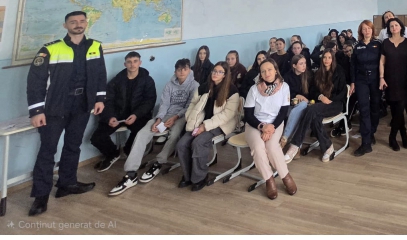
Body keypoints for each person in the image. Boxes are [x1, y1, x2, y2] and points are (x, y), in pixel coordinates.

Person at [26, 11, 107, 216]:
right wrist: (36, 111)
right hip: (55, 107)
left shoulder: (95, 46)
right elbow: (35, 82)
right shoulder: (50, 49)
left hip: (82, 105)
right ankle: (41, 196)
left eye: (81, 21)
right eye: (73, 22)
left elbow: (100, 74)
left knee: (73, 146)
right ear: (65, 26)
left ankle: (67, 184)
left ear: (86, 23)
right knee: (47, 151)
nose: (78, 24)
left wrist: (99, 99)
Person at [111, 58, 199, 194]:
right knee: (143, 133)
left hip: (183, 116)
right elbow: (164, 104)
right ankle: (131, 172)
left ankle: (159, 162)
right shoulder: (169, 85)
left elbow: (189, 106)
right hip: (166, 114)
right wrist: (158, 119)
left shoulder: (195, 85)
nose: (182, 72)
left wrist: (175, 117)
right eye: (179, 69)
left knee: (175, 133)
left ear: (189, 70)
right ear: (175, 71)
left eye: (185, 69)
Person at [175, 61, 240, 191]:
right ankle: (188, 176)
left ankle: (200, 177)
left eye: (220, 72)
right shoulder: (203, 87)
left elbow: (226, 115)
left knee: (198, 142)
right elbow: (192, 105)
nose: (216, 73)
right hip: (199, 122)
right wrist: (190, 118)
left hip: (220, 124)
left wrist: (205, 126)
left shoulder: (232, 91)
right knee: (181, 144)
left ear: (225, 75)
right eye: (214, 71)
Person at [91, 51, 157, 172]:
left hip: (138, 115)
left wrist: (136, 115)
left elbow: (149, 101)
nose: (132, 64)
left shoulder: (147, 80)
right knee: (96, 138)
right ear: (125, 64)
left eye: (135, 61)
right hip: (118, 115)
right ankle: (112, 154)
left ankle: (127, 151)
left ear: (140, 63)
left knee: (138, 136)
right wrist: (110, 117)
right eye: (129, 62)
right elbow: (108, 101)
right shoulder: (116, 80)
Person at [243, 58, 297, 199]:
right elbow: (248, 115)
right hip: (255, 124)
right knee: (258, 147)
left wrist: (271, 127)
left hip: (275, 123)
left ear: (275, 70)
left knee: (272, 147)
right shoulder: (254, 89)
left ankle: (285, 176)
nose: (267, 73)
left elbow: (283, 112)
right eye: (263, 71)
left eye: (269, 70)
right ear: (260, 74)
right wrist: (262, 127)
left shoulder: (284, 87)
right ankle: (269, 179)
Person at [289, 49, 347, 162]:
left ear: (333, 59)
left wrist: (329, 100)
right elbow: (313, 91)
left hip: (335, 104)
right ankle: (328, 146)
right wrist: (321, 97)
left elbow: (342, 92)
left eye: (329, 57)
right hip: (321, 104)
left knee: (311, 110)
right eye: (324, 57)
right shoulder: (318, 72)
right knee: (314, 118)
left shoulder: (339, 71)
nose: (326, 60)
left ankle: (295, 144)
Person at [380, 17, 407, 151]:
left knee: (400, 108)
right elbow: (382, 62)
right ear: (389, 29)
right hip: (390, 81)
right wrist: (381, 77)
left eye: (396, 25)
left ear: (401, 27)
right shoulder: (385, 43)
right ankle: (403, 134)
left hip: (404, 81)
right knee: (395, 110)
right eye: (391, 26)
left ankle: (392, 137)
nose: (394, 28)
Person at [351, 20, 382, 156]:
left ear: (372, 30)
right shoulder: (357, 46)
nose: (367, 31)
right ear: (361, 31)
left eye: (369, 28)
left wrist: (383, 78)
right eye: (364, 29)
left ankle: (371, 132)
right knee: (364, 110)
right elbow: (352, 65)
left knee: (375, 108)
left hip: (375, 79)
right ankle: (366, 143)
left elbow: (383, 62)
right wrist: (353, 82)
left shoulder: (378, 44)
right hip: (361, 80)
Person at [282, 54, 312, 163]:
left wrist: (304, 99)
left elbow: (311, 94)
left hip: (306, 105)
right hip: (290, 106)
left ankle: (285, 137)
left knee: (302, 107)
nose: (304, 66)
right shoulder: (287, 77)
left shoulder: (308, 75)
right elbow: (285, 95)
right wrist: (296, 96)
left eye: (305, 63)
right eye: (301, 64)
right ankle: (296, 146)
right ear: (294, 66)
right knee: (299, 114)